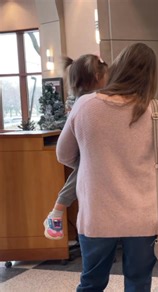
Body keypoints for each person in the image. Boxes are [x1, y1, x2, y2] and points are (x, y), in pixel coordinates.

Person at [56, 43, 158, 291]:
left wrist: (95, 162)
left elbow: (64, 155)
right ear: (152, 76)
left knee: (91, 282)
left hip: (97, 215)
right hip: (143, 216)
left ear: (118, 67)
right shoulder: (155, 109)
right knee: (138, 282)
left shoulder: (85, 105)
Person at [44, 54, 108, 240]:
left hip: (82, 145)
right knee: (82, 168)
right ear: (97, 76)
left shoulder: (79, 99)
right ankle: (57, 209)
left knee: (81, 168)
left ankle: (57, 210)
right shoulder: (89, 101)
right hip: (83, 145)